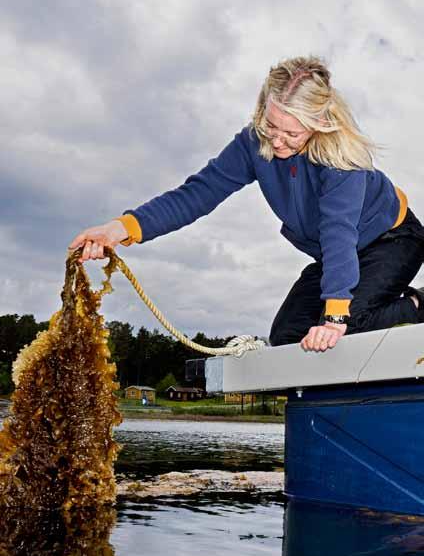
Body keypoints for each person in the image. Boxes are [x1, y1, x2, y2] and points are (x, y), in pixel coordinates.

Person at [69, 55, 424, 353]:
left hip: (391, 241)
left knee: (348, 326)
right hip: (337, 256)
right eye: (272, 126)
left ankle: (417, 303)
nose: (278, 141)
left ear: (318, 124)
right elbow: (196, 194)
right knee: (288, 340)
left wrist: (335, 316)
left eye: (292, 133)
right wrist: (120, 229)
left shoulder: (342, 159)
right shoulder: (253, 143)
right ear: (262, 109)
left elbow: (338, 231)